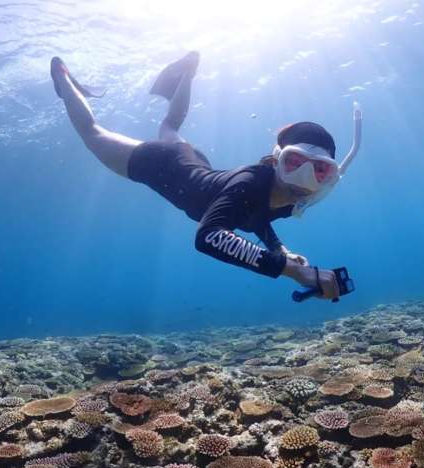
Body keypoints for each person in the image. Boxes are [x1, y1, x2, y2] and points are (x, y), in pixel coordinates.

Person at [49, 52, 362, 300]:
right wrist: (293, 272)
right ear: (276, 159)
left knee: (170, 128)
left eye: (320, 170)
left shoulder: (285, 197)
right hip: (159, 165)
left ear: (331, 177)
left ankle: (187, 70)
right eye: (295, 163)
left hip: (193, 163)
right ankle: (62, 77)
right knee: (92, 134)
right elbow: (209, 237)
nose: (304, 180)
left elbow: (255, 217)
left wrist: (279, 249)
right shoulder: (251, 182)